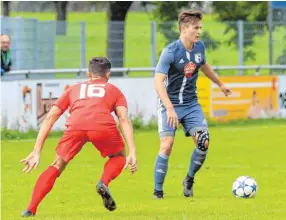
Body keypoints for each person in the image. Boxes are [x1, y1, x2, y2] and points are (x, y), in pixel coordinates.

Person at [20, 57, 138, 217]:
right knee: (118, 156)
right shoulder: (114, 90)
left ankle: (30, 209)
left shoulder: (73, 89)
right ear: (108, 74)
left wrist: (36, 151)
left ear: (89, 73)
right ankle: (103, 182)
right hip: (102, 125)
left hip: (76, 125)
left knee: (57, 164)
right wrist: (132, 151)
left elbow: (50, 117)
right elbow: (123, 119)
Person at [153, 10, 232, 199]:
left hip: (190, 104)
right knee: (167, 144)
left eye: (200, 28)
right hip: (169, 105)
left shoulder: (199, 47)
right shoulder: (170, 52)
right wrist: (170, 108)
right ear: (183, 29)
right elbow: (157, 82)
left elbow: (204, 66)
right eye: (196, 28)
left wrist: (220, 84)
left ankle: (189, 179)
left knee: (203, 142)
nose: (199, 31)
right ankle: (158, 192)